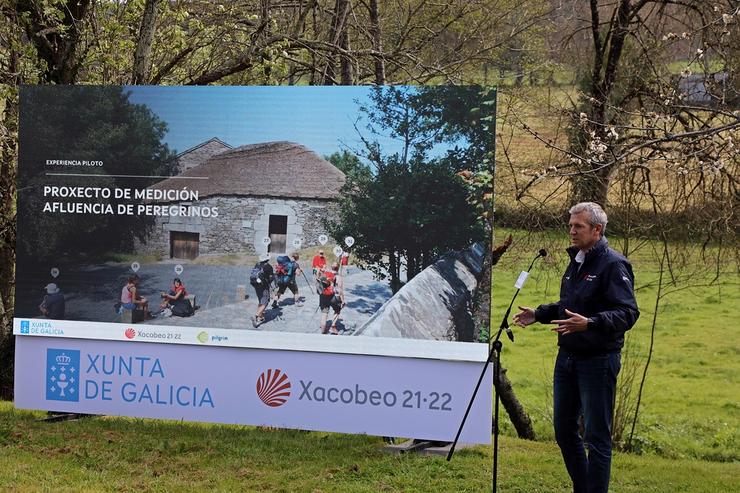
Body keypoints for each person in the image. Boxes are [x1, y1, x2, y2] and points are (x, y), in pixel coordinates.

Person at [513, 202, 639, 493]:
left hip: (597, 361)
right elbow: (572, 306)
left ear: (596, 230)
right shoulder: (577, 261)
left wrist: (592, 323)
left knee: (596, 437)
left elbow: (628, 312)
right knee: (563, 431)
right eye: (570, 225)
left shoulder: (613, 264)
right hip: (567, 358)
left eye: (578, 226)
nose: (571, 230)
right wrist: (540, 314)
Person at [318, 262, 345, 335]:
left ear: (331, 267)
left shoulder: (326, 273)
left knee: (324, 314)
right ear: (338, 268)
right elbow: (340, 290)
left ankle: (323, 331)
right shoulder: (339, 277)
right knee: (337, 310)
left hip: (323, 296)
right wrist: (343, 300)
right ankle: (333, 326)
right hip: (334, 297)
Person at [250, 253, 273, 327]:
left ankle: (261, 317)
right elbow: (270, 278)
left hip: (255, 284)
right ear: (268, 259)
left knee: (261, 300)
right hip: (263, 286)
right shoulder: (268, 267)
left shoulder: (257, 264)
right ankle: (256, 316)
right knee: (265, 302)